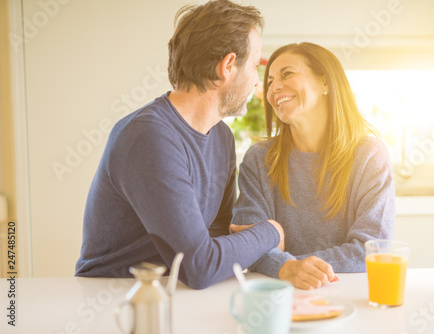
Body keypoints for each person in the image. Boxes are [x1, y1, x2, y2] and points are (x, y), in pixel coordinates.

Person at [75, 0, 285, 290]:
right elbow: (200, 266)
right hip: (117, 301)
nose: (255, 81)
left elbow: (217, 235)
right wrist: (271, 231)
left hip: (176, 294)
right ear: (227, 66)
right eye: (253, 66)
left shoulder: (221, 137)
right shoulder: (147, 137)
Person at [230, 42, 395, 290]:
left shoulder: (370, 156)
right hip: (277, 293)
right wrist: (287, 269)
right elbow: (248, 245)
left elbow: (370, 250)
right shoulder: (258, 159)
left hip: (345, 291)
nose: (274, 87)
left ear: (325, 82)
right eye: (270, 80)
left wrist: (287, 264)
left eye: (287, 74)